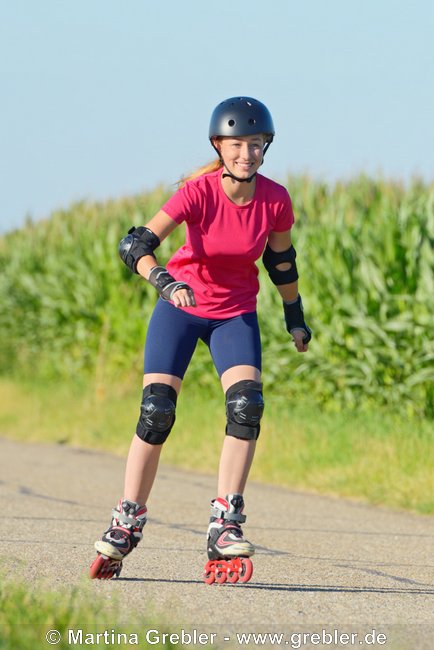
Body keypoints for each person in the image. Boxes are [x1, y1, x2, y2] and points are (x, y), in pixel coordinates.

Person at [89, 96, 311, 583]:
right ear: (219, 145)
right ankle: (127, 520)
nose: (247, 154)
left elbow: (281, 263)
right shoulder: (198, 192)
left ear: (265, 147)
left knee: (247, 406)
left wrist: (294, 314)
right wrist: (166, 282)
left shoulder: (275, 199)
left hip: (235, 314)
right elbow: (136, 245)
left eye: (256, 145)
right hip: (181, 309)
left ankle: (225, 523)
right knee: (157, 411)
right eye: (237, 145)